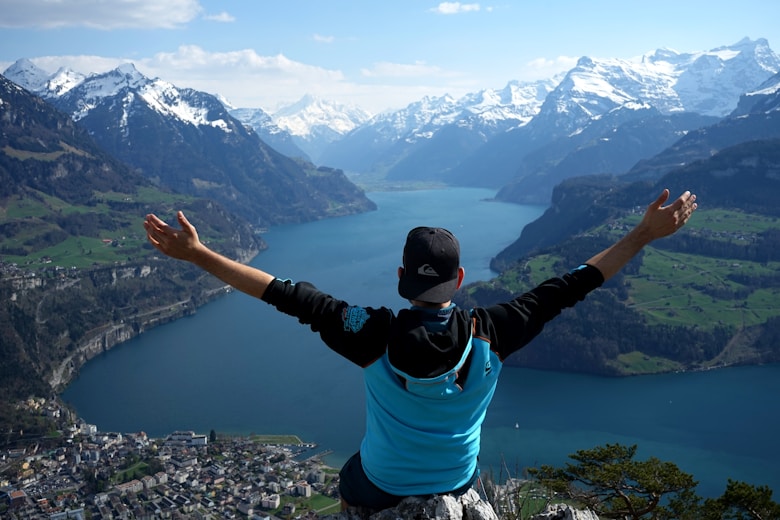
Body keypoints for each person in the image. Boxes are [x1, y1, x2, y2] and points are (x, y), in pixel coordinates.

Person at [143, 188, 697, 512]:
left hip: (382, 484)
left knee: (351, 477)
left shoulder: (370, 334)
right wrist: (642, 235)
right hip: (457, 482)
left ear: (402, 277)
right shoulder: (493, 330)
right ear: (458, 280)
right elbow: (573, 285)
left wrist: (198, 254)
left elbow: (282, 293)